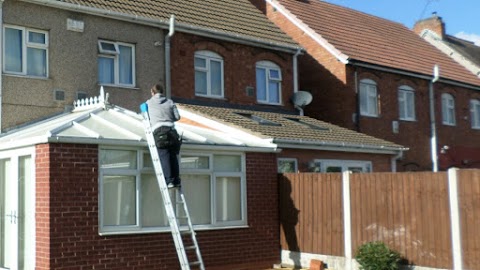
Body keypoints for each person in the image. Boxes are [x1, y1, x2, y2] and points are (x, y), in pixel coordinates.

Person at [146, 84, 182, 188]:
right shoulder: (170, 102)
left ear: (152, 93)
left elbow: (145, 116)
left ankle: (169, 181)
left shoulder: (148, 103)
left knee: (164, 156)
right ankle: (176, 181)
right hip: (172, 132)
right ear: (162, 92)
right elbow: (177, 117)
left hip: (160, 132)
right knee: (173, 156)